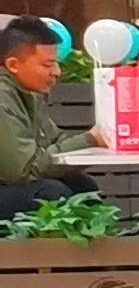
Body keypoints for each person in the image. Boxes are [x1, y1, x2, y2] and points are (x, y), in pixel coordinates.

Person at [0, 15, 95, 216]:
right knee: (50, 193)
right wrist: (90, 140)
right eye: (47, 65)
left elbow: (54, 139)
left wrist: (91, 142)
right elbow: (23, 171)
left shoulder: (29, 94)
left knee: (82, 186)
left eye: (56, 64)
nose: (57, 72)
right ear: (13, 64)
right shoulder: (3, 97)